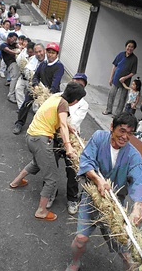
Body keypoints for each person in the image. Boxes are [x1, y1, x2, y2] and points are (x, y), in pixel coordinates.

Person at [65, 112, 142, 271]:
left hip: (114, 206)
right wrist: (98, 180)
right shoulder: (99, 138)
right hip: (91, 198)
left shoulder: (133, 155)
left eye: (130, 133)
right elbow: (86, 160)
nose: (125, 137)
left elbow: (138, 181)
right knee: (81, 238)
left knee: (126, 251)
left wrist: (138, 206)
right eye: (122, 131)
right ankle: (75, 263)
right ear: (112, 127)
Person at [9, 82, 86, 221]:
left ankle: (16, 182)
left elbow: (61, 120)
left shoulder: (56, 97)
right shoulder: (64, 104)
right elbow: (62, 125)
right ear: (75, 100)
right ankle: (41, 210)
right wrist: (68, 146)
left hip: (31, 136)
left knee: (37, 162)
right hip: (40, 139)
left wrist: (69, 126)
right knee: (52, 178)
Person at [48, 73, 89, 215]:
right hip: (55, 135)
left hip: (72, 138)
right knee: (51, 165)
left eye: (81, 85)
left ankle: (72, 198)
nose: (77, 86)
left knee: (72, 169)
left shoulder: (83, 104)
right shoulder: (59, 95)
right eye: (76, 82)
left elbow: (73, 123)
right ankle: (49, 193)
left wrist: (61, 120)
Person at [12, 42, 64, 135]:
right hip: (38, 88)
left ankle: (48, 132)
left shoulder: (59, 67)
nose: (50, 55)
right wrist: (35, 84)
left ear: (57, 54)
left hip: (50, 93)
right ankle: (19, 123)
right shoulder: (43, 63)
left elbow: (55, 83)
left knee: (48, 112)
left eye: (53, 53)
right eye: (48, 52)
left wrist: (47, 94)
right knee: (26, 103)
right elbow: (36, 75)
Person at [102, 40, 138, 117]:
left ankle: (117, 113)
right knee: (111, 94)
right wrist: (111, 78)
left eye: (132, 47)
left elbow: (133, 72)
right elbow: (114, 66)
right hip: (116, 79)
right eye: (129, 46)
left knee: (122, 98)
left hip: (125, 82)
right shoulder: (120, 54)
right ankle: (108, 109)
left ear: (134, 48)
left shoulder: (134, 59)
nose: (130, 48)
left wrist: (125, 78)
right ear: (126, 47)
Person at [0, 32, 20, 103]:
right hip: (11, 64)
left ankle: (14, 94)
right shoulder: (3, 45)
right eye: (13, 39)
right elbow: (8, 51)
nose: (14, 41)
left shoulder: (13, 44)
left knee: (16, 79)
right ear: (9, 37)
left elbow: (19, 46)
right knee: (14, 79)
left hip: (16, 64)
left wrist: (19, 47)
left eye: (15, 40)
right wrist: (17, 52)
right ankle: (11, 95)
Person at [15, 41, 35, 109]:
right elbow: (18, 60)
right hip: (23, 77)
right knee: (18, 89)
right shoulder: (24, 53)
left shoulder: (37, 58)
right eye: (28, 52)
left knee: (32, 95)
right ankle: (21, 108)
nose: (30, 54)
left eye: (31, 52)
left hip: (31, 80)